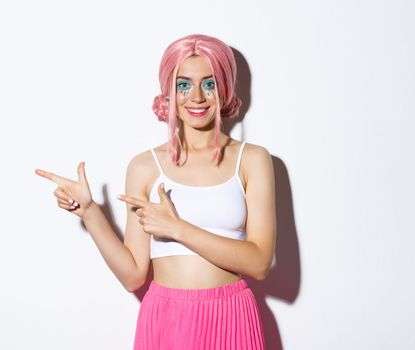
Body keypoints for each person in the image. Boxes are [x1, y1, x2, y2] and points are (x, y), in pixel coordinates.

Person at [35, 33, 276, 350]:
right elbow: (134, 275)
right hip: (166, 317)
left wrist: (177, 228)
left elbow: (259, 263)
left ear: (225, 88)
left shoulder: (253, 160)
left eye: (210, 83)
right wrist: (90, 213)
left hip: (231, 314)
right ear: (170, 92)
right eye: (183, 85)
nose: (197, 98)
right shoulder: (144, 167)